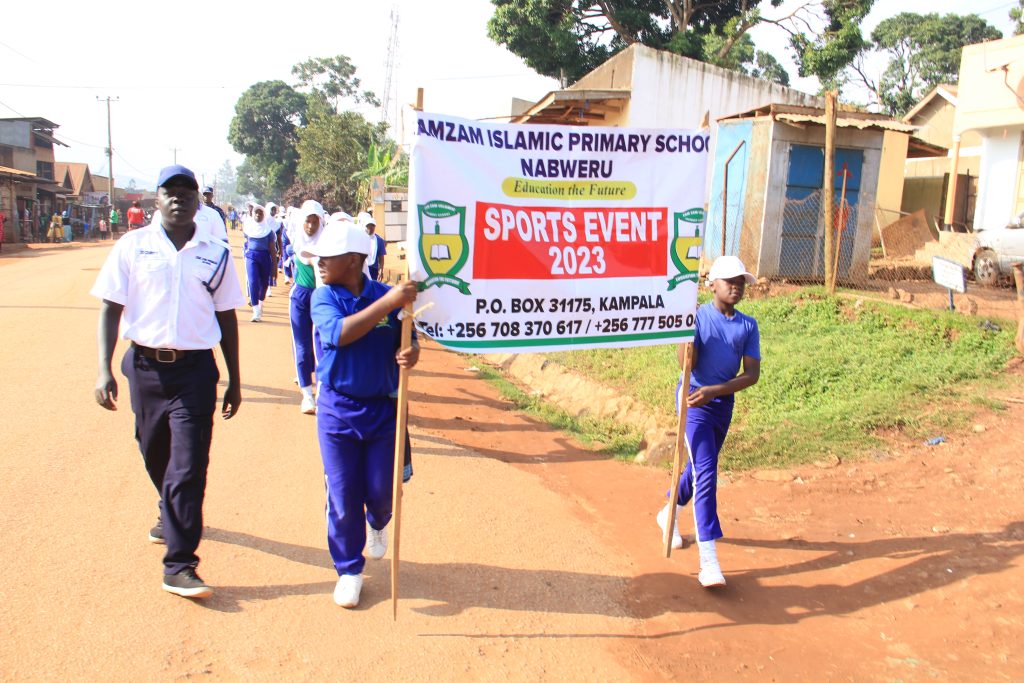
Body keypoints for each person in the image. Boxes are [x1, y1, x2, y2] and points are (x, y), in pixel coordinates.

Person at [91, 164, 244, 599]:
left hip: (195, 372)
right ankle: (170, 506)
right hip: (144, 368)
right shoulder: (132, 246)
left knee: (189, 465)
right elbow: (110, 307)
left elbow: (226, 316)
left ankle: (180, 564)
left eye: (187, 192)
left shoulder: (216, 253)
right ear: (156, 199)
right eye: (170, 191)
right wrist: (104, 368)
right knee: (153, 451)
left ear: (199, 201)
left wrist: (235, 378)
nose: (179, 198)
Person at [304, 221, 419, 608]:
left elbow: (409, 340)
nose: (319, 263)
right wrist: (389, 303)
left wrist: (410, 353)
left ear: (354, 260)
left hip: (382, 410)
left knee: (382, 491)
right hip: (337, 409)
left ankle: (377, 522)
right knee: (343, 493)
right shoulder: (323, 297)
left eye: (327, 257)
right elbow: (339, 334)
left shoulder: (387, 296)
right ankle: (349, 569)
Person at [656, 255, 761, 588]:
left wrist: (716, 391)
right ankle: (709, 561)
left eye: (740, 281)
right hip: (693, 399)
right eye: (729, 281)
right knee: (706, 473)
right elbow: (686, 363)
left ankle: (669, 512)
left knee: (699, 468)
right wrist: (685, 334)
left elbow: (752, 374)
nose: (736, 286)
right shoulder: (698, 316)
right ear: (711, 284)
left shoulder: (748, 326)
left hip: (720, 402)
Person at [289, 200, 325, 414]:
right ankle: (307, 395)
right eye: (307, 221)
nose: (310, 226)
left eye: (314, 222)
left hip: (322, 299)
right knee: (302, 346)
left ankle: (321, 395)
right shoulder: (297, 240)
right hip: (300, 298)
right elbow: (306, 258)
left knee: (320, 347)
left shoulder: (327, 243)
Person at [242, 204, 277, 321]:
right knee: (253, 282)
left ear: (264, 215)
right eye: (256, 212)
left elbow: (272, 250)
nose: (258, 214)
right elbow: (246, 242)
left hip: (265, 257)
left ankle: (261, 301)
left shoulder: (269, 232)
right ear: (253, 214)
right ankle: (256, 310)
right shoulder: (248, 229)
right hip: (251, 257)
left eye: (260, 213)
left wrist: (275, 267)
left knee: (264, 283)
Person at [358, 212, 386, 281]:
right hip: (361, 269)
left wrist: (381, 270)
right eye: (368, 226)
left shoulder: (379, 240)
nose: (370, 228)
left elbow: (381, 257)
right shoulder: (359, 238)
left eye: (372, 225)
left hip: (373, 270)